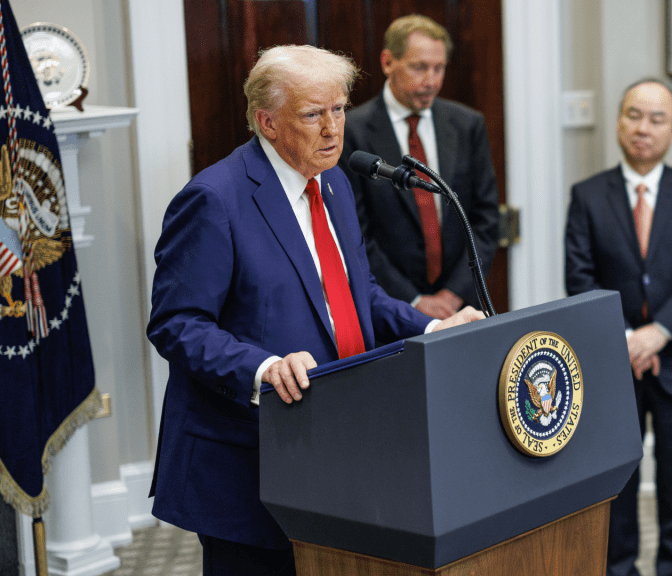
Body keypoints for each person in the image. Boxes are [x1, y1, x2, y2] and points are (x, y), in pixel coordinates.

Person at [147, 45, 482, 576]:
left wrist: (435, 326)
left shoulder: (336, 184)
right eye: (312, 114)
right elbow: (176, 324)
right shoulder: (215, 198)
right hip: (248, 459)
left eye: (340, 110)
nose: (333, 129)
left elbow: (356, 294)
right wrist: (261, 367)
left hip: (334, 443)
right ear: (268, 122)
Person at [565, 78, 672, 576]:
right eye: (634, 115)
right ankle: (620, 568)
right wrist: (629, 339)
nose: (643, 128)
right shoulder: (588, 196)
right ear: (618, 121)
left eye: (657, 119)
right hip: (613, 365)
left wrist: (660, 333)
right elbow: (579, 277)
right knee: (618, 484)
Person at [340, 14, 499, 320]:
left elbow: (485, 220)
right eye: (419, 67)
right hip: (389, 308)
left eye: (439, 68)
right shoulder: (352, 132)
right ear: (388, 62)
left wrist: (453, 295)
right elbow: (355, 233)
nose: (431, 81)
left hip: (462, 305)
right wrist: (413, 300)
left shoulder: (468, 125)